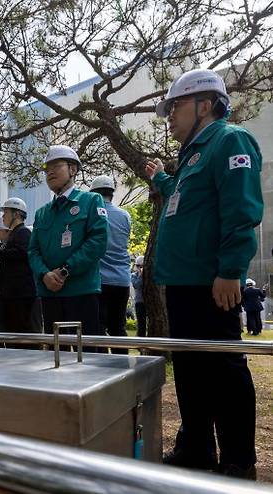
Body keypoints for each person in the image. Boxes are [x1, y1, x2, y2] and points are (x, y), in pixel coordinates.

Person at [145, 68, 262, 479]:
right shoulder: (192, 157)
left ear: (205, 105)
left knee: (224, 371)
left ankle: (237, 460)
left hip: (212, 284)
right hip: (182, 284)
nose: (169, 116)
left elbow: (240, 209)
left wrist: (231, 270)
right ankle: (196, 448)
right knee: (192, 370)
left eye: (175, 106)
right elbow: (177, 192)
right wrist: (156, 175)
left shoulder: (230, 141)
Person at [28, 145, 108, 352]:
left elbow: (97, 241)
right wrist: (45, 274)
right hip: (50, 294)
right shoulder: (42, 213)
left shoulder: (91, 201)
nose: (50, 172)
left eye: (56, 165)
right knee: (57, 357)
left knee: (88, 356)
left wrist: (65, 270)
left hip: (81, 291)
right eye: (46, 169)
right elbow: (33, 251)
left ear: (73, 169)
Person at [90, 175, 132, 354]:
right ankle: (122, 370)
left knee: (98, 328)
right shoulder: (125, 215)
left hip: (99, 280)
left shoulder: (91, 215)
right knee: (118, 328)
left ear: (94, 195)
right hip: (122, 280)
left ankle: (102, 374)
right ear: (112, 194)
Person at [0, 198, 40, 338]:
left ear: (16, 214)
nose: (3, 216)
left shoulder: (23, 232)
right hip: (12, 294)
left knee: (23, 333)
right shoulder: (14, 234)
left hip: (21, 295)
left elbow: (22, 254)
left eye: (6, 212)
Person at [131, 256, 147, 337]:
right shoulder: (134, 275)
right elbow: (136, 285)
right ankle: (141, 341)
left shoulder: (149, 275)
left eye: (142, 266)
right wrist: (141, 276)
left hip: (150, 302)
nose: (140, 268)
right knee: (141, 324)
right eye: (138, 266)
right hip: (139, 302)